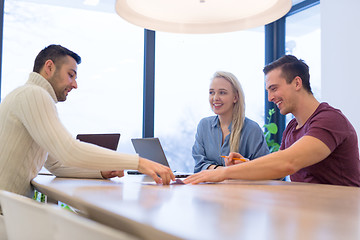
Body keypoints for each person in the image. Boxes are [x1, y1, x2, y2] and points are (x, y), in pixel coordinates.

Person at [0, 44, 175, 200]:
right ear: (49, 67)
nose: (75, 85)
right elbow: (69, 150)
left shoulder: (27, 95)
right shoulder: (34, 95)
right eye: (71, 75)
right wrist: (138, 163)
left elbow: (55, 164)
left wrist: (101, 171)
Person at [184, 55, 360, 187]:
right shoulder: (292, 128)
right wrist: (247, 164)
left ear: (297, 83)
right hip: (310, 214)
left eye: (274, 89)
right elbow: (276, 173)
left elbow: (288, 163)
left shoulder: (330, 120)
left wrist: (224, 173)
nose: (270, 98)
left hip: (341, 217)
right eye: (268, 90)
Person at [192, 71, 269, 173]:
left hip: (242, 188)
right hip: (208, 188)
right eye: (211, 92)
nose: (215, 98)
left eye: (222, 92)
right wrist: (224, 171)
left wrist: (246, 166)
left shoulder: (252, 129)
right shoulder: (204, 126)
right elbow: (199, 165)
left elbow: (266, 169)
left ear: (235, 97)